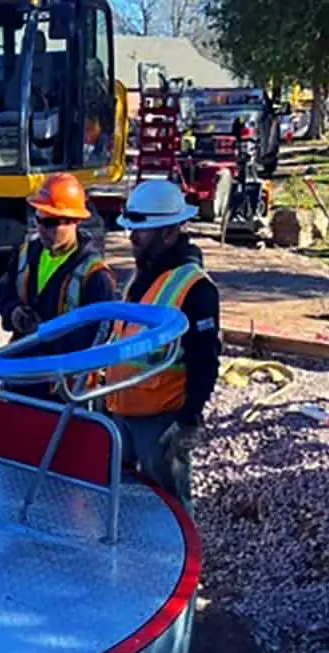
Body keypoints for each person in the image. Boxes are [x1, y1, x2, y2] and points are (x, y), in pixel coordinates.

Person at [104, 178, 221, 510]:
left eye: (142, 231)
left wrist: (188, 420)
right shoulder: (144, 276)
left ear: (169, 233)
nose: (132, 237)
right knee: (123, 500)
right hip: (121, 411)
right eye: (132, 229)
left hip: (160, 420)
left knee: (170, 505)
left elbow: (205, 359)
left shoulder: (195, 288)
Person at [0, 172, 116, 402]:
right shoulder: (27, 253)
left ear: (75, 221)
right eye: (38, 219)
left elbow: (97, 337)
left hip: (64, 391)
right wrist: (14, 311)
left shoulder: (95, 276)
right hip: (22, 376)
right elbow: (3, 292)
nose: (41, 229)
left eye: (50, 223)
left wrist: (47, 334)